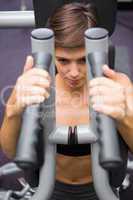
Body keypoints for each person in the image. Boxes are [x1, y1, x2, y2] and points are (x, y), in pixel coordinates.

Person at [0, 2, 133, 200]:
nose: (73, 73)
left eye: (81, 60)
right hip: (50, 188)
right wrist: (13, 111)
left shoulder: (118, 86)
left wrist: (124, 116)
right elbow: (10, 152)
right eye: (63, 60)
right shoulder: (39, 86)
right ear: (52, 54)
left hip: (100, 190)